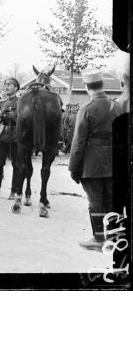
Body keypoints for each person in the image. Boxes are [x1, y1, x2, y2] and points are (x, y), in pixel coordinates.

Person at [69, 68, 121, 251]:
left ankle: (99, 239)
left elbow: (78, 143)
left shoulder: (87, 109)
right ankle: (115, 238)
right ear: (102, 84)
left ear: (86, 86)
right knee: (112, 200)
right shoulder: (117, 107)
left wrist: (73, 169)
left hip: (92, 165)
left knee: (95, 201)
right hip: (115, 162)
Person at [0, 77, 20, 199]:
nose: (6, 86)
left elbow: (22, 119)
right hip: (2, 136)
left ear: (16, 88)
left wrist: (13, 116)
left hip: (16, 136)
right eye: (5, 84)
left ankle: (14, 191)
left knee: (16, 165)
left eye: (9, 84)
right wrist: (0, 116)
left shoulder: (20, 102)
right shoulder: (1, 102)